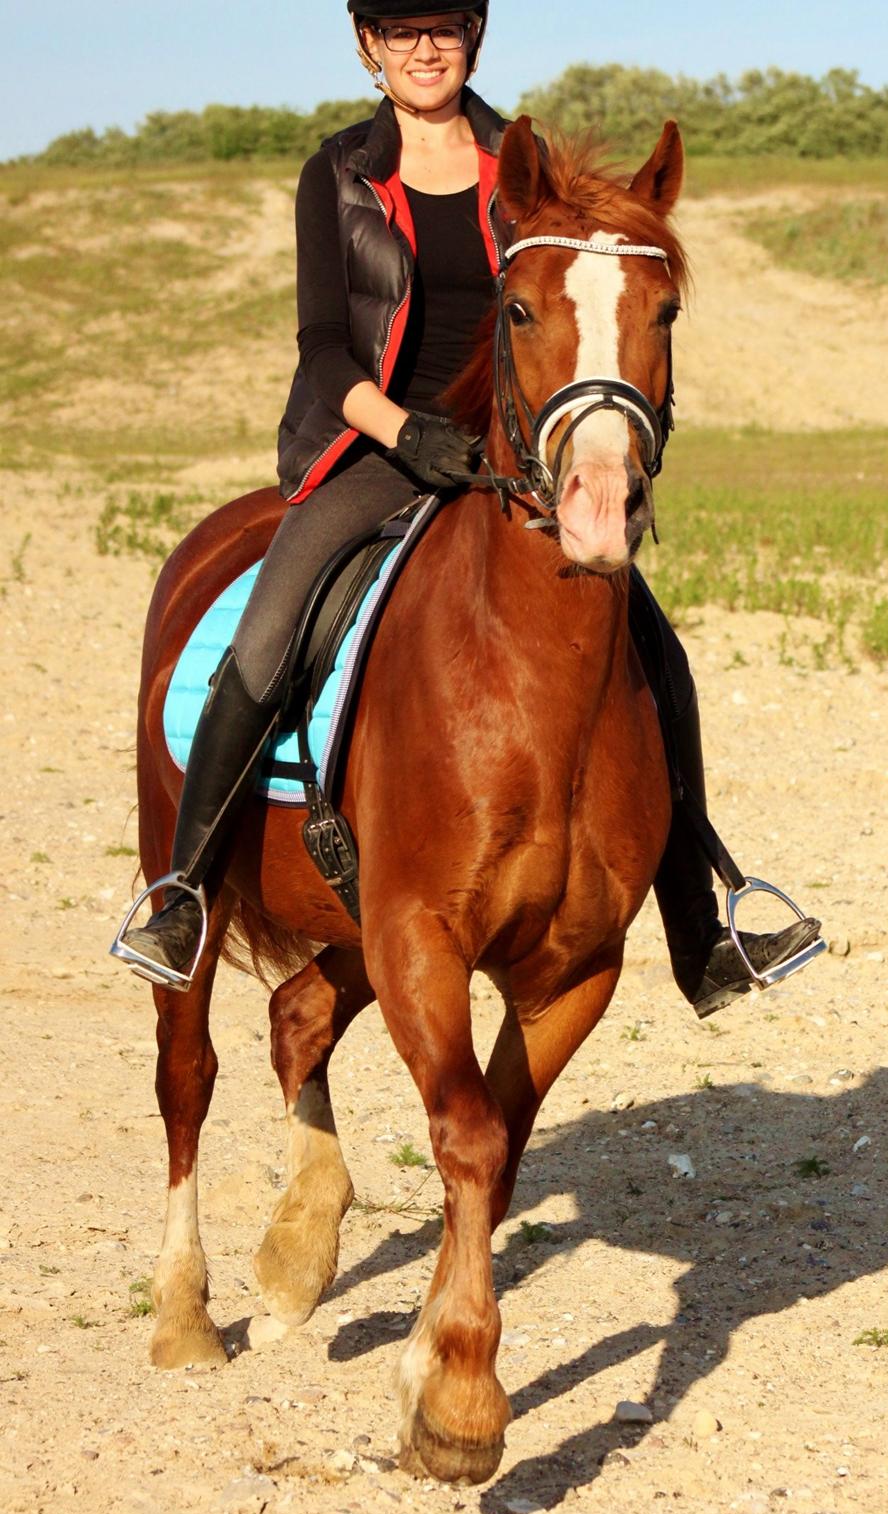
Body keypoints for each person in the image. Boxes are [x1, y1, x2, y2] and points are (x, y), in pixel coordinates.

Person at [115, 2, 820, 1017]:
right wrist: (404, 433)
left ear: (473, 36)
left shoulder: (519, 164)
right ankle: (181, 891)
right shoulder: (339, 173)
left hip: (508, 455)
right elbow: (323, 348)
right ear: (368, 46)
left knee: (657, 654)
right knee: (265, 642)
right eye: (400, 29)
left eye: (443, 24)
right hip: (371, 448)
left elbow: (586, 286)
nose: (423, 46)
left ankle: (699, 932)